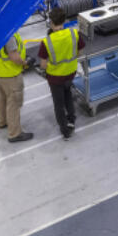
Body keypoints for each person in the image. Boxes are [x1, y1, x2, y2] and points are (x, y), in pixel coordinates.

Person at [38, 7, 84, 140]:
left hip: (55, 78)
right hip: (70, 73)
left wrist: (47, 68)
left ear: (51, 23)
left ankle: (65, 129)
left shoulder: (47, 42)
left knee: (58, 103)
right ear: (64, 21)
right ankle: (72, 119)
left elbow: (43, 64)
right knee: (68, 94)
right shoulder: (73, 33)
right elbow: (79, 52)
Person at [0, 30, 33, 143]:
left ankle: (3, 122)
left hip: (0, 72)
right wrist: (25, 63)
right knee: (14, 103)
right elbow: (14, 57)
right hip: (11, 74)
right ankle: (15, 133)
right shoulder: (8, 35)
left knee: (3, 99)